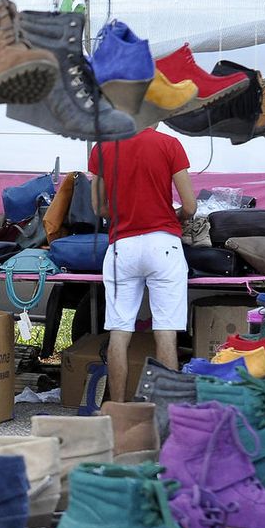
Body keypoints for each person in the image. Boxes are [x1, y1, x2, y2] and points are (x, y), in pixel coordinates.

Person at [88, 125, 195, 400]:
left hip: (121, 247)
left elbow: (99, 208)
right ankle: (167, 411)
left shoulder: (102, 148)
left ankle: (117, 408)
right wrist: (177, 216)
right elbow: (191, 206)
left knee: (119, 331)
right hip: (163, 245)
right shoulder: (169, 144)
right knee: (165, 332)